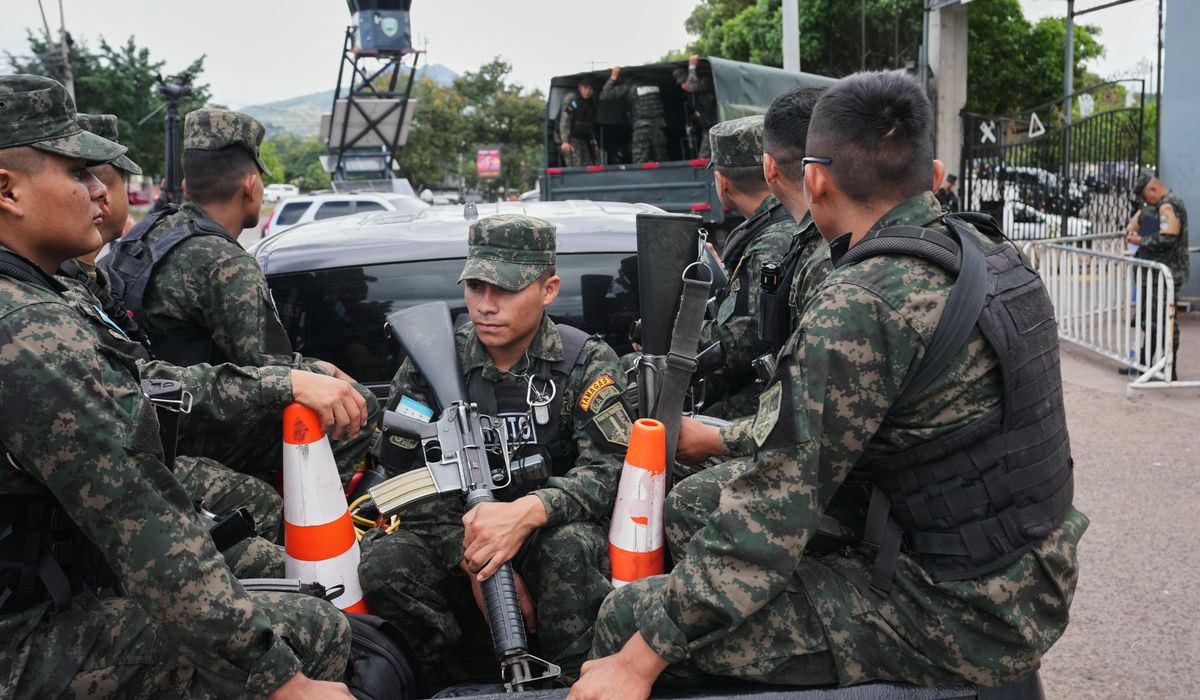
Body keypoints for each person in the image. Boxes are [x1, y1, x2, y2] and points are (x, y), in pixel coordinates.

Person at [570, 71, 1087, 700]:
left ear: (814, 179)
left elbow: (767, 517)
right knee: (697, 509)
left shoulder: (863, 301)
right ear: (932, 173)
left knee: (630, 618)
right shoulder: (988, 250)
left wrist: (637, 660)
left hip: (960, 607)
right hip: (1024, 562)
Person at [0, 74, 356, 700]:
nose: (100, 191)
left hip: (49, 578)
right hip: (21, 639)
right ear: (8, 190)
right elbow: (140, 518)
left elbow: (140, 387)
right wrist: (278, 680)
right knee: (312, 630)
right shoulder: (28, 327)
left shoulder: (42, 292)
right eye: (78, 173)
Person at [359, 214, 634, 689]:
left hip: (546, 534)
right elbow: (405, 480)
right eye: (475, 287)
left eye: (505, 290)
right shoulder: (431, 358)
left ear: (549, 290)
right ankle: (436, 684)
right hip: (457, 540)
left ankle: (571, 684)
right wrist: (478, 557)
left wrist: (529, 512)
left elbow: (612, 470)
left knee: (570, 547)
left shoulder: (585, 361)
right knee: (386, 562)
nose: (486, 306)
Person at [100, 107, 378, 479]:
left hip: (148, 414)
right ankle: (297, 510)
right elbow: (274, 370)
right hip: (191, 432)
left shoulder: (149, 232)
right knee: (360, 407)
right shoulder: (224, 262)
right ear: (250, 186)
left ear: (187, 188)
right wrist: (324, 372)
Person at [57, 114, 288, 556]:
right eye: (81, 177)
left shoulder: (133, 245)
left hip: (152, 436)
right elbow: (139, 384)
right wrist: (297, 380)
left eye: (99, 179)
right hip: (154, 448)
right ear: (251, 186)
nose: (100, 192)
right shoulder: (222, 260)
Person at [696, 110, 826, 422]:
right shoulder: (781, 227)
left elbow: (739, 343)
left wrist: (672, 339)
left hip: (764, 404)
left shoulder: (769, 241)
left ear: (721, 181)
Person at [1123, 169, 1188, 379]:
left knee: (1166, 322)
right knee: (1151, 320)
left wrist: (1140, 241)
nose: (1145, 201)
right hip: (1158, 274)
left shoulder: (1169, 205)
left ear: (1152, 189)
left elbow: (1168, 238)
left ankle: (1169, 369)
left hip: (1168, 273)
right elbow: (1152, 231)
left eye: (1145, 196)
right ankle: (1145, 364)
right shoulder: (1159, 206)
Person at [600, 66, 668, 163]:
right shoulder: (653, 83)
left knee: (640, 161)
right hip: (659, 127)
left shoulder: (629, 85)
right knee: (661, 160)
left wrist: (613, 77)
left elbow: (605, 95)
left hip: (642, 127)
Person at [674, 55, 718, 160]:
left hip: (716, 126)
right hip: (707, 128)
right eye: (681, 83)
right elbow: (701, 111)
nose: (683, 86)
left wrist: (692, 67)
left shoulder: (704, 82)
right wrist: (692, 119)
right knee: (705, 158)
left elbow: (693, 86)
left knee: (704, 158)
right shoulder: (693, 96)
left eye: (684, 81)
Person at [559, 78, 598, 167]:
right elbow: (565, 120)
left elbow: (591, 126)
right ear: (580, 87)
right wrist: (565, 141)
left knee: (588, 166)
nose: (587, 91)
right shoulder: (572, 99)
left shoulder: (591, 103)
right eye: (585, 88)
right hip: (570, 138)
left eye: (590, 89)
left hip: (582, 139)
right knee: (576, 166)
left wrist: (594, 144)